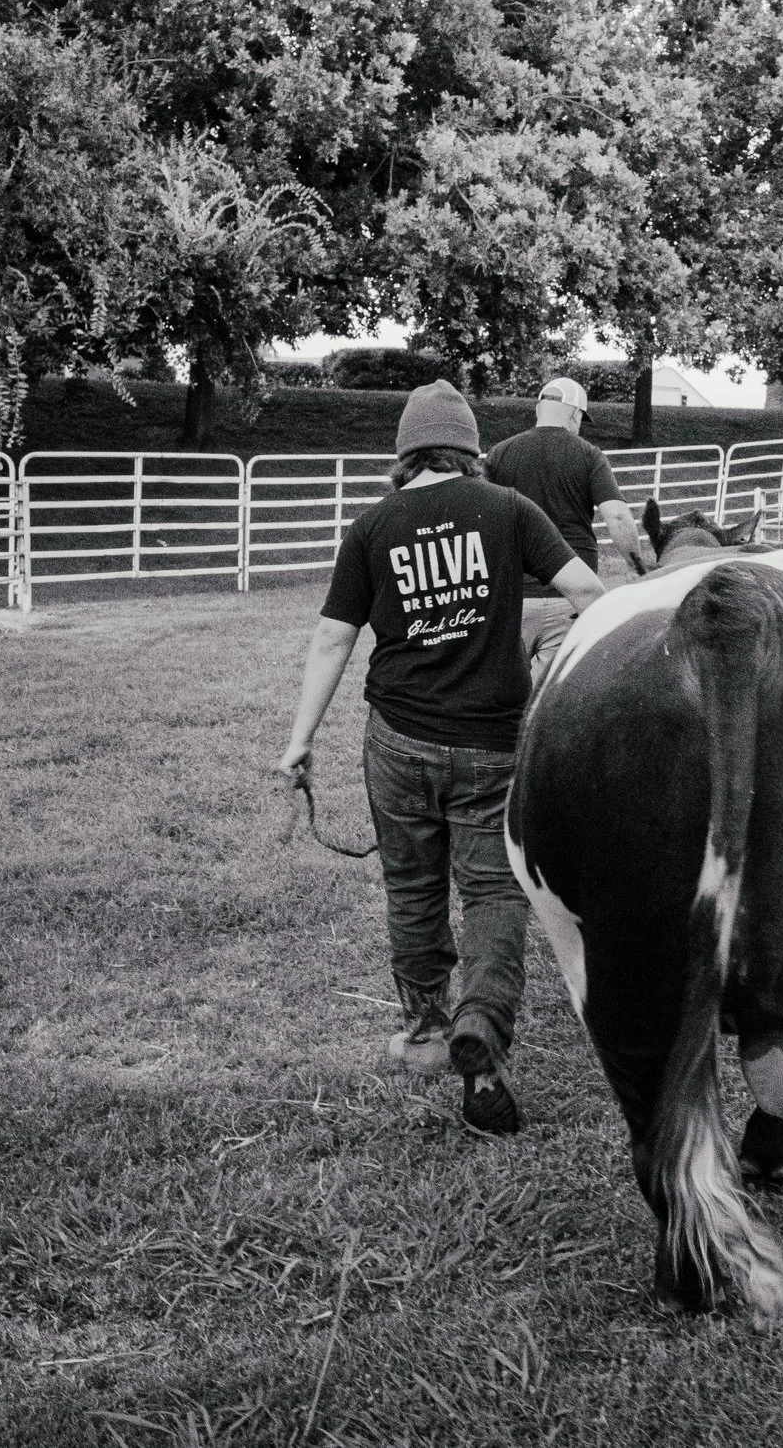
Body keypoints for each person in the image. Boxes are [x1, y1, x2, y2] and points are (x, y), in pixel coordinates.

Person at [275, 380, 607, 1134]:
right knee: (493, 892)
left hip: (396, 739)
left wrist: (298, 742)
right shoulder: (509, 510)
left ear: (403, 454)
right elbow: (588, 591)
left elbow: (334, 637)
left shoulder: (372, 525)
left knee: (413, 883)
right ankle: (482, 1030)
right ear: (469, 450)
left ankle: (427, 1028)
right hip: (492, 742)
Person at [483, 377, 649, 683]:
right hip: (572, 595)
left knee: (502, 694)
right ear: (575, 414)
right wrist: (636, 566)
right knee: (549, 697)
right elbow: (618, 517)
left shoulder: (499, 453)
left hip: (512, 598)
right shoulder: (588, 454)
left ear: (538, 410)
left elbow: (480, 520)